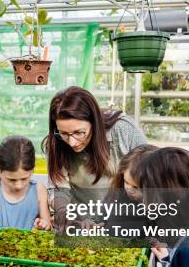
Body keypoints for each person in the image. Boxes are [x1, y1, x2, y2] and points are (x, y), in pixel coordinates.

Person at [43, 86, 147, 231]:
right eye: (63, 133)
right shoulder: (55, 144)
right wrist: (64, 212)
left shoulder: (124, 131)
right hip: (82, 225)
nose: (72, 142)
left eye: (79, 132)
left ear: (95, 122)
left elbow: (151, 179)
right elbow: (59, 189)